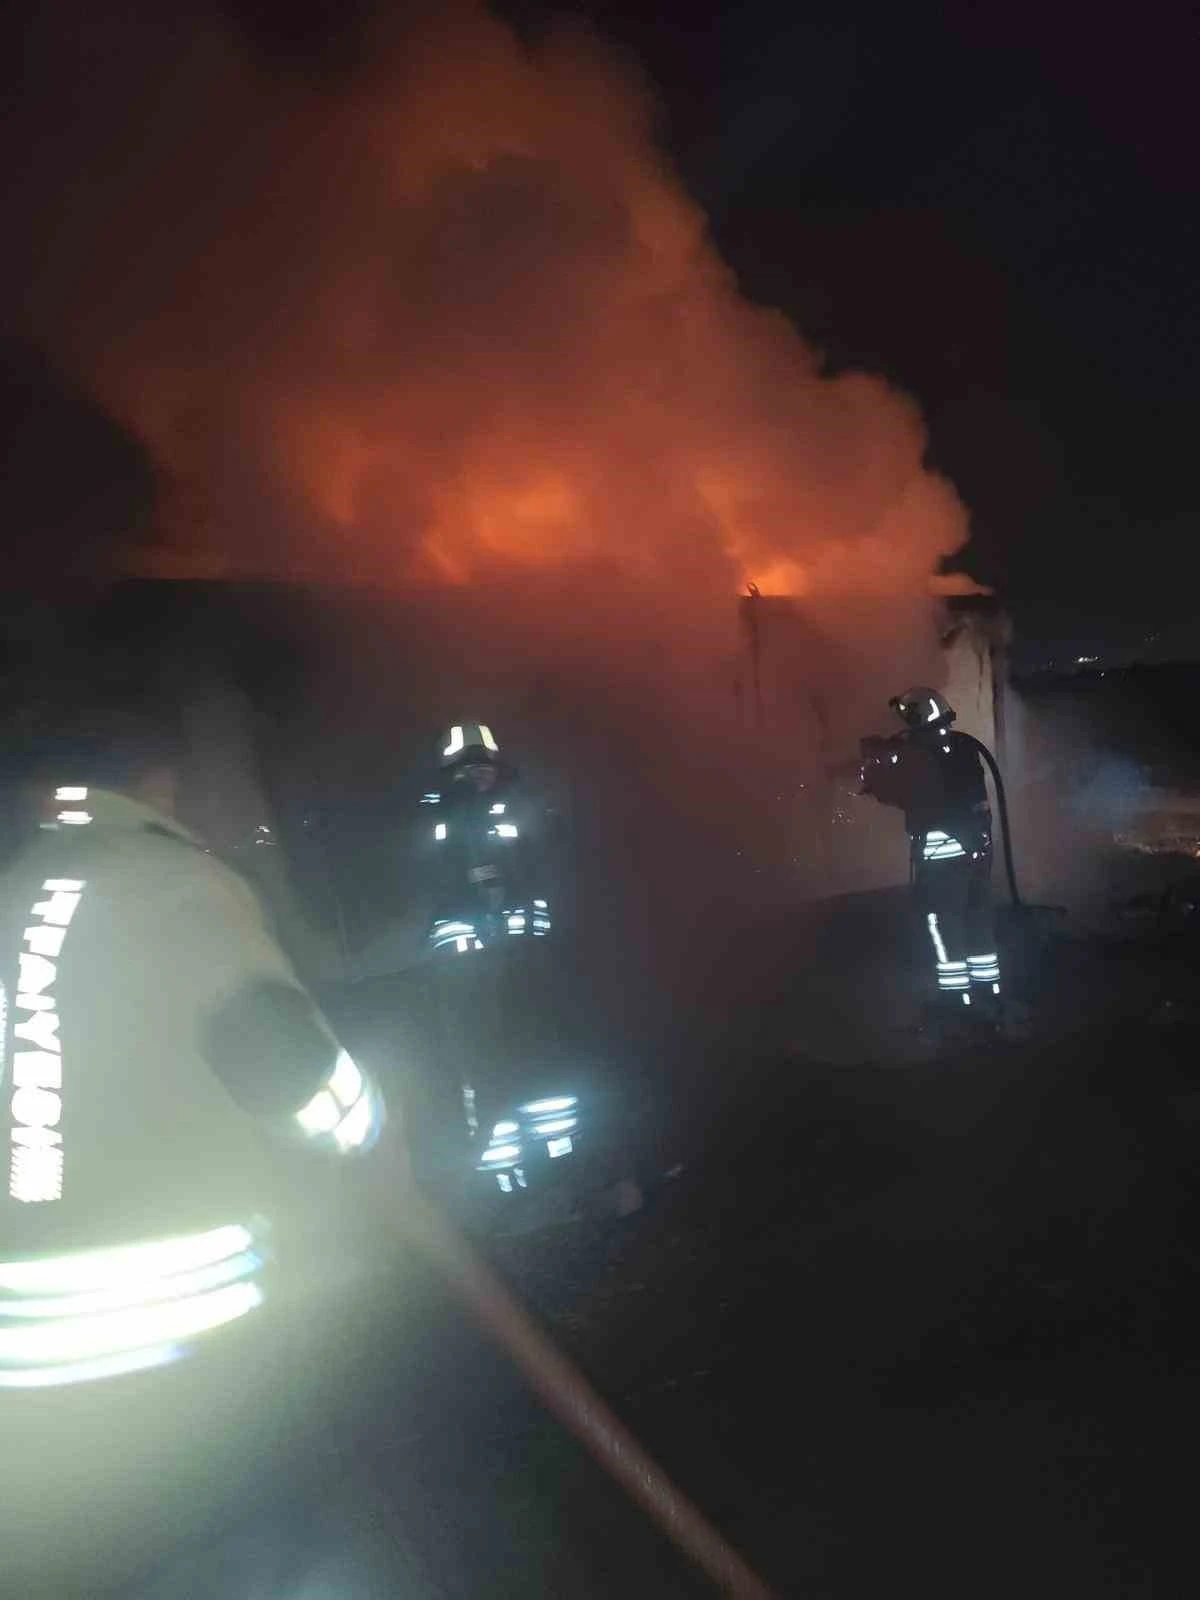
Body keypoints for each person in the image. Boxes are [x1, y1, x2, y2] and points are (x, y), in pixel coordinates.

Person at [0, 698, 389, 1595]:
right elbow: (298, 1081)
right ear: (158, 777)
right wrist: (375, 1129)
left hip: (28, 1369)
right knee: (274, 1566)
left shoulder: (14, 895)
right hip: (179, 1354)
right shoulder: (167, 882)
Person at [860, 686, 1002, 1020]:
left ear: (918, 717)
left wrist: (874, 766)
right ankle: (989, 995)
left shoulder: (922, 756)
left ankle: (956, 1003)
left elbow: (891, 790)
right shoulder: (962, 748)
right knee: (977, 923)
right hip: (978, 854)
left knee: (943, 926)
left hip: (944, 861)